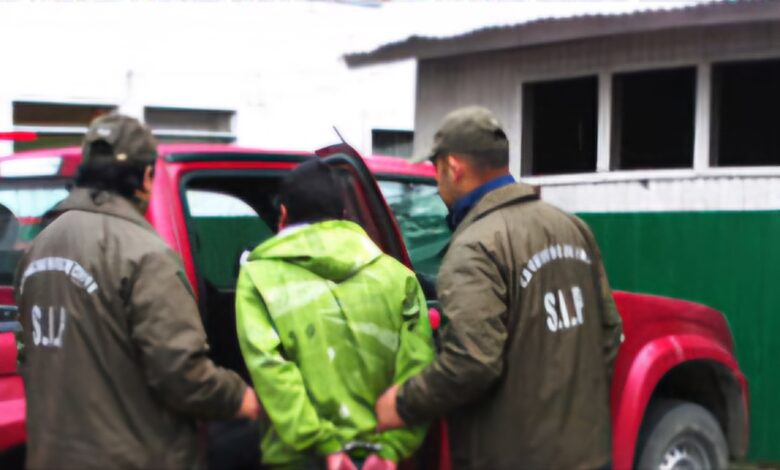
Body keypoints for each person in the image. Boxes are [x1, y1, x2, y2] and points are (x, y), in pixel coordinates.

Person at [375, 106, 623, 469]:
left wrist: (401, 404)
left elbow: (472, 363)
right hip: (587, 456)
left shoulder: (475, 246)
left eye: (437, 170)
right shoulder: (572, 228)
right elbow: (610, 331)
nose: (438, 184)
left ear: (453, 168)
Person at [14, 113, 260, 469]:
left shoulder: (40, 247)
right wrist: (242, 398)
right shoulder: (145, 254)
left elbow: (30, 356)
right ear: (145, 178)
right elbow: (180, 373)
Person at [235, 159, 435, 470]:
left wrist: (325, 445)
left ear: (283, 215)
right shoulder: (400, 278)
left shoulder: (258, 278)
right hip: (381, 460)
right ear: (343, 216)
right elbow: (418, 370)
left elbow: (272, 372)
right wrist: (391, 449)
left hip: (301, 460)